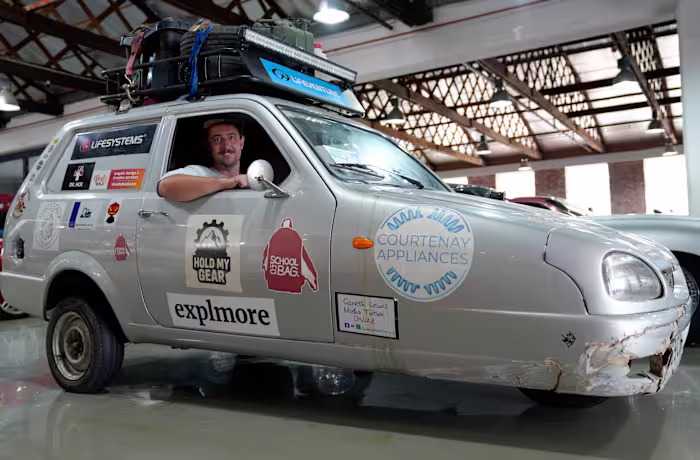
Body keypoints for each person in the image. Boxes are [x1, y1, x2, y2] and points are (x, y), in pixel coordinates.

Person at [158, 118, 249, 202]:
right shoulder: (199, 173)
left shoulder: (249, 180)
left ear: (241, 143)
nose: (226, 146)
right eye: (217, 139)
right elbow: (164, 187)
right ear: (209, 146)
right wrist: (231, 182)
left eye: (232, 137)